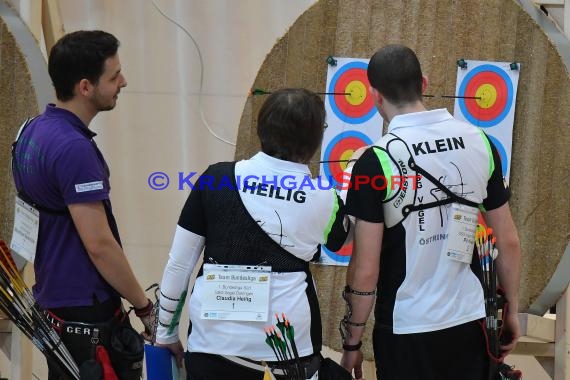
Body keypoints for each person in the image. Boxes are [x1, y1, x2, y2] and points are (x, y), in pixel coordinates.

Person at [339, 44, 522, 380]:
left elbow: (365, 270)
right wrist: (510, 309)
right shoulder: (480, 141)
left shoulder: (374, 161)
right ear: (423, 83)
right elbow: (507, 241)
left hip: (407, 328)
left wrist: (352, 342)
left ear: (373, 95)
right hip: (472, 322)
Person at [155, 88, 351, 379]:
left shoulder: (215, 179)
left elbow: (179, 262)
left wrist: (166, 332)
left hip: (211, 350)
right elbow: (341, 239)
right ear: (316, 139)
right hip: (287, 357)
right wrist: (351, 180)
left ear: (261, 129)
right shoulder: (325, 198)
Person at [11, 30, 154, 379]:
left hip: (55, 300)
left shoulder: (31, 129)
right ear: (85, 87)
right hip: (84, 308)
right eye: (114, 76)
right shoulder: (73, 149)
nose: (123, 81)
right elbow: (99, 245)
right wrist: (144, 305)